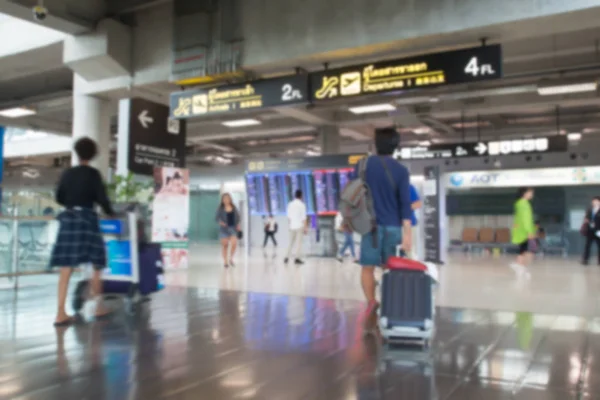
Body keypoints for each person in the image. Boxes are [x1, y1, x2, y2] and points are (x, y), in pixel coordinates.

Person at [50, 137, 115, 326]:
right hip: (87, 220)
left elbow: (59, 197)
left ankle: (60, 313)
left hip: (68, 219)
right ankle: (98, 307)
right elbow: (102, 199)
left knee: (66, 267)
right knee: (97, 262)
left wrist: (71, 204)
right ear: (93, 154)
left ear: (77, 153)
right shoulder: (93, 174)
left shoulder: (67, 173)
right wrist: (110, 213)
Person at [358, 127, 412, 334]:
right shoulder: (401, 170)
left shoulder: (362, 165)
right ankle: (389, 302)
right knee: (391, 267)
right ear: (396, 146)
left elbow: (353, 193)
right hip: (392, 226)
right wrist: (407, 233)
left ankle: (371, 302)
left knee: (367, 267)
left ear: (375, 144)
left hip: (368, 225)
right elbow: (405, 203)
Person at [510, 187, 535, 279]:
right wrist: (529, 231)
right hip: (524, 231)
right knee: (526, 251)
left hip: (519, 230)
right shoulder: (525, 204)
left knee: (523, 250)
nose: (532, 194)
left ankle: (522, 268)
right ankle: (519, 266)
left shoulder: (519, 203)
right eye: (530, 193)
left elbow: (518, 218)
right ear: (524, 193)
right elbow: (526, 219)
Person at [216, 193, 240, 268]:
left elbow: (238, 217)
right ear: (222, 200)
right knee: (225, 246)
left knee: (234, 244)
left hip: (232, 228)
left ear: (230, 199)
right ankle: (225, 261)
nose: (226, 200)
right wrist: (221, 222)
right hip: (224, 229)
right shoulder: (220, 209)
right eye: (224, 198)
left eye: (227, 198)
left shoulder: (234, 207)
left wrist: (238, 225)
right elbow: (217, 218)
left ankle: (231, 258)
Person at [285, 190, 307, 265]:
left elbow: (289, 217)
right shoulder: (302, 205)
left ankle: (286, 257)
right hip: (299, 226)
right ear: (301, 196)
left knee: (290, 242)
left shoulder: (290, 204)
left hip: (292, 226)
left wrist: (290, 225)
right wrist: (305, 228)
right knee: (298, 243)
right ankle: (297, 258)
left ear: (295, 195)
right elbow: (304, 218)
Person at [582, 196, 600, 266]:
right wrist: (587, 220)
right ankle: (585, 259)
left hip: (598, 231)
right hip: (590, 230)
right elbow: (586, 217)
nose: (594, 203)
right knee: (587, 245)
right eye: (593, 202)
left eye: (596, 201)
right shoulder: (590, 210)